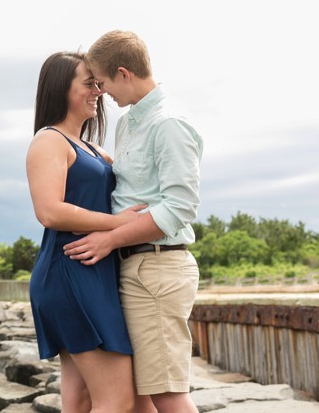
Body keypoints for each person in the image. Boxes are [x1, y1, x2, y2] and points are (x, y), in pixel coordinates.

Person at [63, 31, 204, 413]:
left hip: (157, 267)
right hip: (133, 268)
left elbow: (179, 207)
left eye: (103, 82)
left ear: (123, 74)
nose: (102, 92)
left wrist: (109, 239)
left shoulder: (169, 123)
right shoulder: (128, 124)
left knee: (166, 391)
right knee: (140, 393)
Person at [26, 51, 153, 413]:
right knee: (117, 400)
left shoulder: (94, 149)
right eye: (89, 83)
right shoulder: (49, 141)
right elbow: (49, 212)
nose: (98, 90)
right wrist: (120, 224)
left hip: (93, 272)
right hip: (70, 272)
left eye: (99, 83)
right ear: (60, 89)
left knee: (80, 400)